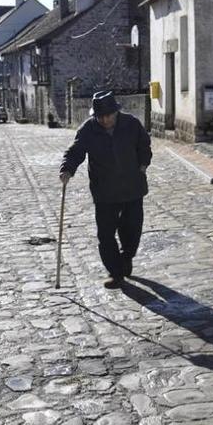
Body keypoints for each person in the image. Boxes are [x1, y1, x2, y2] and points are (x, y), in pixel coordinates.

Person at [60, 91, 152, 289]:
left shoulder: (131, 124)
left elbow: (144, 145)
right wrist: (67, 169)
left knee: (132, 230)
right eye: (100, 116)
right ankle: (115, 272)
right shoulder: (89, 129)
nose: (104, 119)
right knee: (106, 234)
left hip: (132, 187)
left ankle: (126, 257)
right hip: (104, 190)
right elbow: (76, 151)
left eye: (108, 115)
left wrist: (144, 163)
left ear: (116, 112)